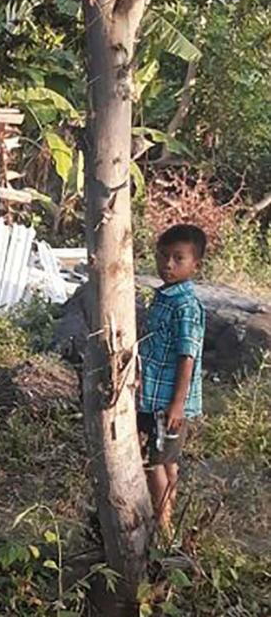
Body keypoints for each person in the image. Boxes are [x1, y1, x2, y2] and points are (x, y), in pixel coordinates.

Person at [137, 223, 207, 536]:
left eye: (178, 258)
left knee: (155, 462)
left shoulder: (186, 306)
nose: (167, 264)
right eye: (163, 256)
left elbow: (186, 356)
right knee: (166, 460)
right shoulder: (164, 297)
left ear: (196, 265)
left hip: (167, 403)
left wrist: (177, 405)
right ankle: (166, 516)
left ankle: (162, 526)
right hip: (152, 397)